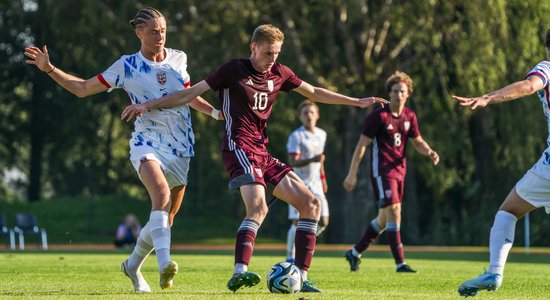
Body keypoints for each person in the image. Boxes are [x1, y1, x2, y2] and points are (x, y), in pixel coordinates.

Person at [121, 24, 388, 293]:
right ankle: (240, 272)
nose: (273, 59)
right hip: (238, 147)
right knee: (259, 207)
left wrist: (357, 101)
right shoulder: (232, 70)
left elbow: (315, 92)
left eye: (277, 53)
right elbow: (189, 93)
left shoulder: (280, 73)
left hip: (263, 151)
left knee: (311, 205)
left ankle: (301, 277)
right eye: (268, 53)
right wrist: (147, 105)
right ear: (254, 48)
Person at [24, 7, 222, 293]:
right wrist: (50, 69)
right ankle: (165, 263)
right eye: (153, 31)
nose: (160, 36)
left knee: (166, 218)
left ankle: (132, 265)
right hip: (147, 142)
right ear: (138, 32)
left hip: (181, 146)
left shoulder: (179, 59)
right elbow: (81, 88)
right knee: (161, 195)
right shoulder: (126, 66)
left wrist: (217, 114)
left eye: (163, 30)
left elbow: (189, 96)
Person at [454, 29, 550, 297]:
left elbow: (530, 85)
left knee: (508, 211)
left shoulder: (547, 68)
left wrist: (487, 97)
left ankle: (495, 271)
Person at [342, 71, 439, 274]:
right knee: (394, 211)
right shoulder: (378, 116)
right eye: (394, 91)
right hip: (382, 171)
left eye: (402, 91)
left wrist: (429, 151)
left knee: (384, 219)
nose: (398, 95)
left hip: (399, 170)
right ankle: (400, 263)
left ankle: (355, 252)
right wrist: (352, 174)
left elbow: (417, 141)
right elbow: (361, 146)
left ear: (408, 94)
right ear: (389, 93)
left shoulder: (410, 116)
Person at [285, 100, 329, 263]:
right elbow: (293, 161)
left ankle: (302, 243)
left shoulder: (322, 134)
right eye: (305, 113)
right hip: (299, 183)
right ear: (300, 117)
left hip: (316, 183)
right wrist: (313, 159)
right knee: (296, 222)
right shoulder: (296, 136)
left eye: (312, 112)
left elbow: (321, 161)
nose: (309, 115)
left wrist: (323, 179)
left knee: (324, 221)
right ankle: (291, 257)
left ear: (317, 115)